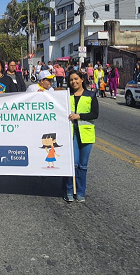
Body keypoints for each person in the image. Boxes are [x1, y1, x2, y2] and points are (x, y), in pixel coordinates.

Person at [62, 70, 99, 203]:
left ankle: (81, 192)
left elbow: (95, 114)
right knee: (72, 164)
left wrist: (79, 116)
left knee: (83, 166)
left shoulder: (91, 95)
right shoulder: (66, 95)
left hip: (86, 134)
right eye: (71, 80)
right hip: (70, 134)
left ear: (82, 79)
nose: (74, 82)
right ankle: (69, 190)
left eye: (76, 79)